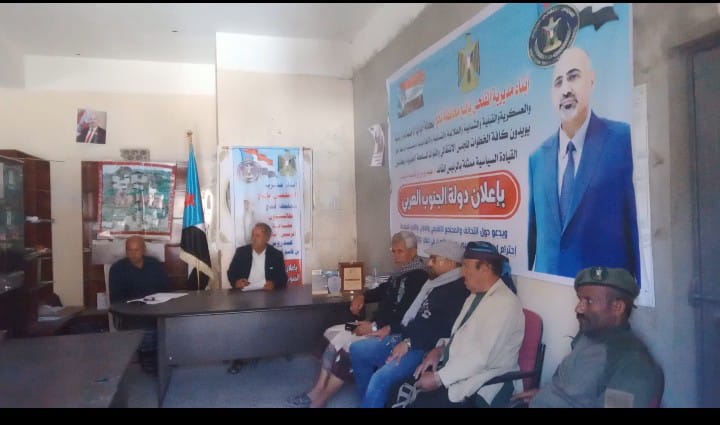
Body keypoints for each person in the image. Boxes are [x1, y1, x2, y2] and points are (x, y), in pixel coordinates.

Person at [527, 46, 640, 284]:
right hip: (548, 291)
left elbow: (634, 226)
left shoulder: (622, 141)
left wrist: (637, 289)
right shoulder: (537, 159)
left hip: (602, 293)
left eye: (573, 76)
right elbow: (535, 236)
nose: (565, 89)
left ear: (592, 80)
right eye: (558, 82)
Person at [287, 231, 428, 408]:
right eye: (394, 251)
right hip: (369, 323)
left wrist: (374, 327)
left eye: (400, 251)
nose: (395, 256)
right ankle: (318, 389)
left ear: (413, 252)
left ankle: (320, 398)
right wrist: (362, 296)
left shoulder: (418, 278)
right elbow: (382, 290)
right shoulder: (401, 273)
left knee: (345, 344)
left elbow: (405, 314)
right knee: (332, 331)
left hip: (383, 330)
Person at [513, 266, 664, 408]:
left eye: (589, 301)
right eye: (580, 300)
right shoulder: (589, 333)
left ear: (617, 307)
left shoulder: (632, 363)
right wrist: (546, 394)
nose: (578, 308)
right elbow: (571, 385)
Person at [403, 241, 525, 408]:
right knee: (401, 388)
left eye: (466, 266)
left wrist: (439, 378)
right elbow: (463, 336)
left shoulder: (505, 304)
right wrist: (440, 350)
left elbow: (480, 357)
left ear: (485, 268)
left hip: (483, 380)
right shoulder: (475, 295)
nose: (462, 272)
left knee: (420, 403)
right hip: (458, 371)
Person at [349, 240, 469, 408]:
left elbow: (442, 330)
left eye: (434, 259)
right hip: (406, 336)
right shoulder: (434, 282)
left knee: (380, 378)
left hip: (423, 347)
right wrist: (390, 328)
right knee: (357, 349)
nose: (429, 263)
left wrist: (408, 343)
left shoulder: (457, 290)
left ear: (450, 262)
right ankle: (370, 402)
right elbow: (412, 317)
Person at [225, 222, 288, 374]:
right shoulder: (242, 252)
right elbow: (231, 273)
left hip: (267, 295)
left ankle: (272, 349)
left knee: (275, 316)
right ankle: (239, 357)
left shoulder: (276, 254)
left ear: (267, 238)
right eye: (253, 235)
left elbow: (283, 278)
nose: (254, 238)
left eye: (258, 236)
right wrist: (236, 282)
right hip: (245, 294)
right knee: (241, 320)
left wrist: (274, 284)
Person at [108, 235, 170, 375]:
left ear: (144, 250)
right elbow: (116, 299)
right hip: (132, 314)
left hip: (156, 309)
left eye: (136, 250)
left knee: (171, 325)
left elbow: (166, 289)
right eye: (129, 250)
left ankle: (165, 361)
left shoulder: (154, 265)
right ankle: (150, 362)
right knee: (148, 330)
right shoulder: (118, 269)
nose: (133, 254)